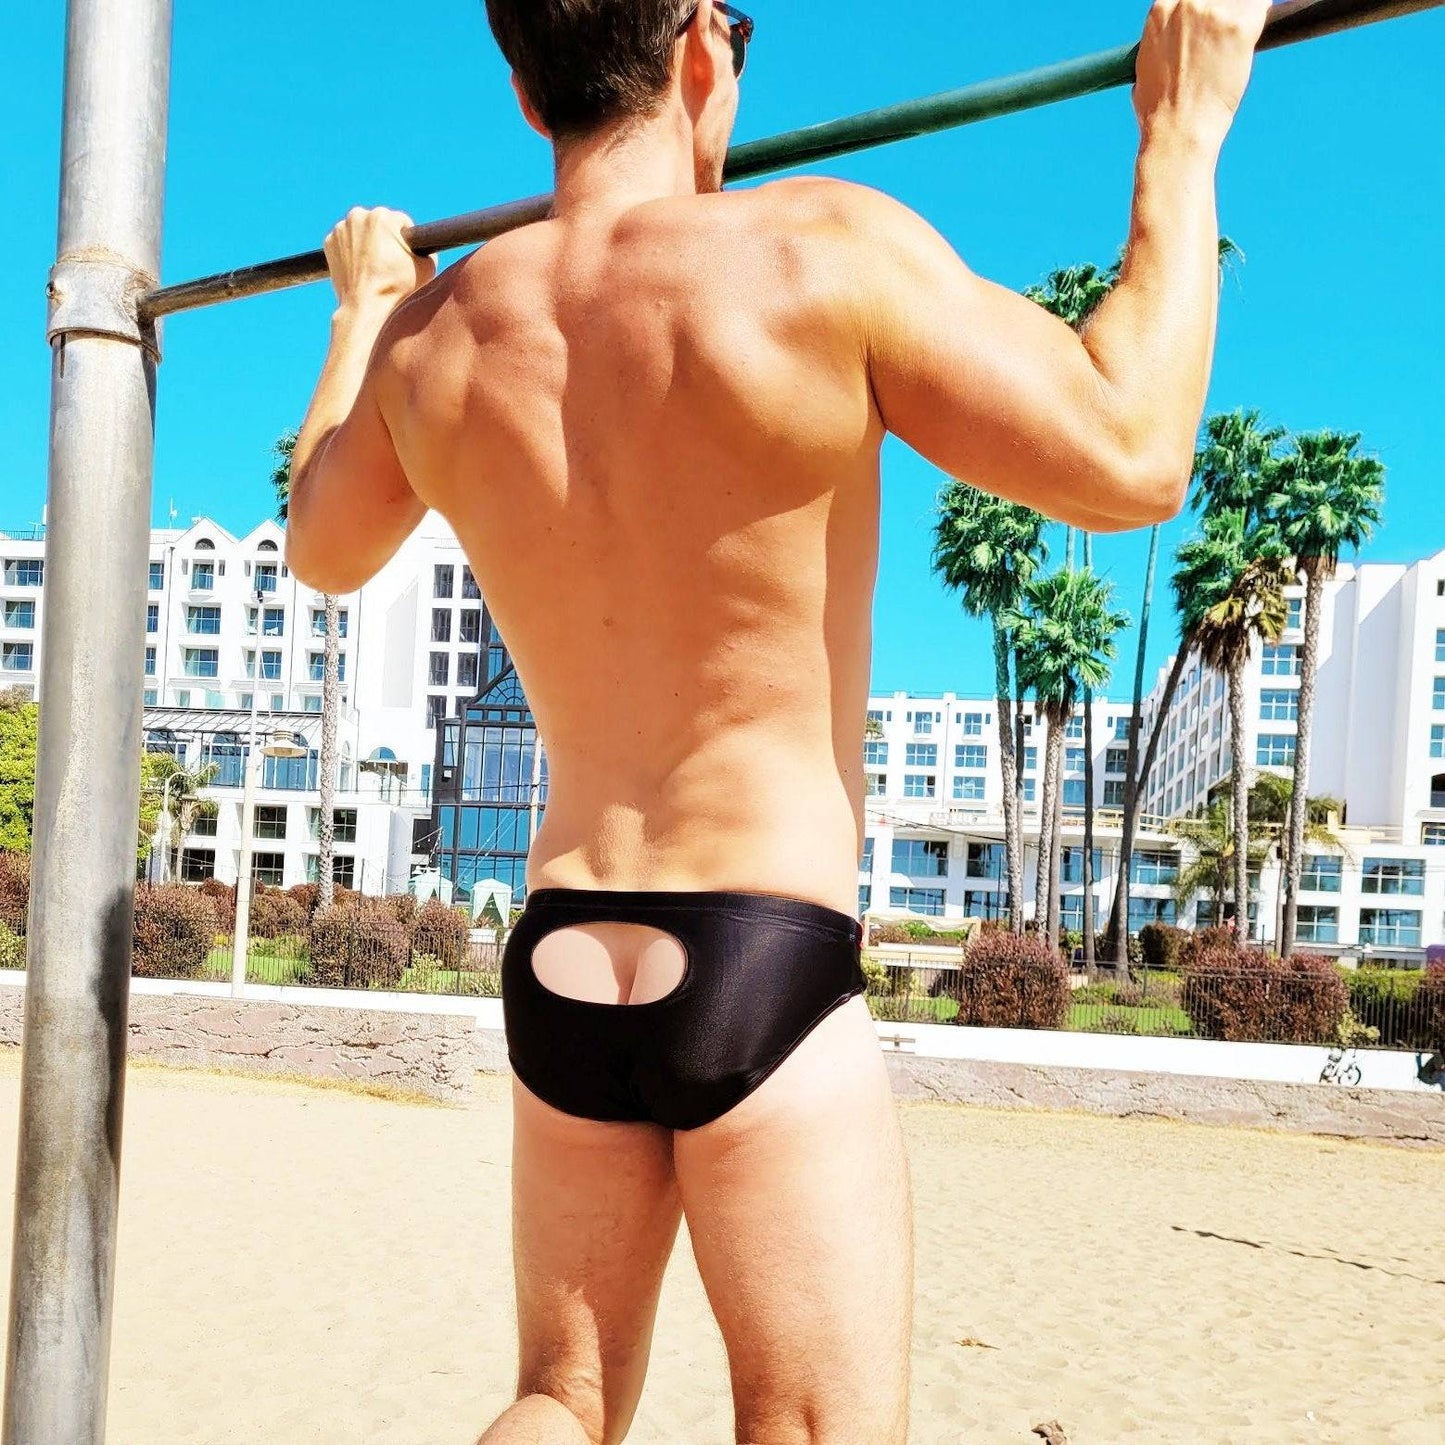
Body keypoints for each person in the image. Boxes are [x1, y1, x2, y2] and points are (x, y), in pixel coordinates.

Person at [285, 2, 1273, 1439]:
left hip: (562, 947)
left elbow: (320, 541)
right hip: (764, 947)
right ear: (698, 43)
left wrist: (360, 311)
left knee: (557, 1399)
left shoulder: (440, 338)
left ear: (523, 86)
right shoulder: (817, 250)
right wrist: (1178, 139)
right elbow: (1130, 452)